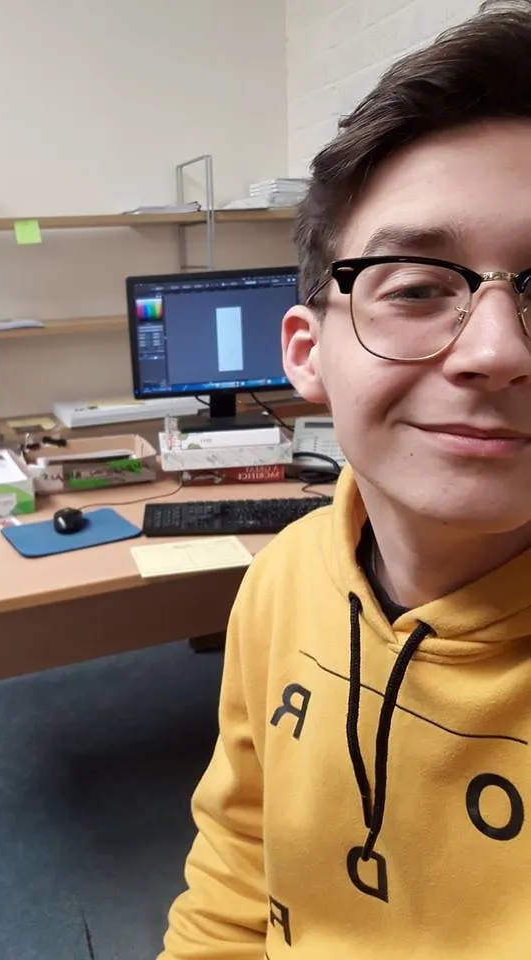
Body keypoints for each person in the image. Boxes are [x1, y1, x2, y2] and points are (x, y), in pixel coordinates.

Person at [159, 3, 531, 957]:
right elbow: (236, 864)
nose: (496, 351)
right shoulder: (282, 579)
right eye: (417, 287)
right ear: (306, 352)